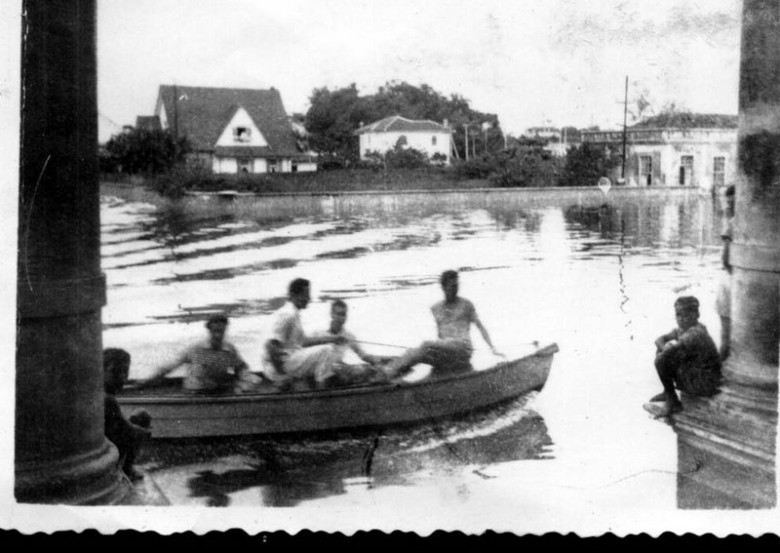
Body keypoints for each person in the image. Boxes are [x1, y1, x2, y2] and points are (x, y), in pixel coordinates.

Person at [384, 270, 502, 379]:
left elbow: (481, 327)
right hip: (447, 352)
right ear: (443, 287)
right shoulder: (436, 308)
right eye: (452, 286)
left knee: (426, 344)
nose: (456, 289)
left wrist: (492, 348)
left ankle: (387, 372)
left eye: (457, 285)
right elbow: (440, 335)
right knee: (413, 352)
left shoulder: (466, 305)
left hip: (463, 349)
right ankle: (388, 377)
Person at [139, 313, 260, 393]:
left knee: (253, 382)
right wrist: (147, 381)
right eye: (215, 331)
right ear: (209, 331)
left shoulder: (229, 350)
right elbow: (170, 366)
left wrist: (244, 383)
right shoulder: (196, 350)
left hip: (220, 392)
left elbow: (242, 368)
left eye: (221, 331)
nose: (218, 335)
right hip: (195, 394)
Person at [263, 278, 350, 389]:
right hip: (279, 367)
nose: (309, 299)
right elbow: (271, 346)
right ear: (294, 295)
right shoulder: (288, 314)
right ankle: (322, 393)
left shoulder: (294, 313)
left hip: (287, 362)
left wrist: (333, 339)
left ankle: (319, 386)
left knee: (325, 351)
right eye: (306, 295)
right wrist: (282, 376)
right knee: (327, 350)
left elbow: (304, 341)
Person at [647, 296, 722, 415]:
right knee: (661, 350)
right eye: (678, 315)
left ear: (696, 315)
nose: (682, 319)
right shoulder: (681, 330)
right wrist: (664, 347)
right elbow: (659, 339)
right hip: (697, 373)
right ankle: (668, 392)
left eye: (686, 315)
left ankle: (673, 401)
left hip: (706, 381)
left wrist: (665, 349)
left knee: (661, 359)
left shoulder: (696, 333)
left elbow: (668, 353)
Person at [309, 299, 390, 388]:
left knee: (371, 370)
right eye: (338, 314)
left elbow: (363, 355)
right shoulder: (318, 332)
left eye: (343, 314)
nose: (341, 318)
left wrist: (378, 361)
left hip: (339, 369)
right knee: (356, 371)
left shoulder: (348, 336)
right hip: (322, 370)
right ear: (331, 314)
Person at [103, 348, 152, 482]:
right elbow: (126, 428)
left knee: (141, 415)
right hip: (107, 446)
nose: (123, 377)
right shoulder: (108, 399)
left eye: (125, 371)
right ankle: (126, 468)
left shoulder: (105, 395)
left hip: (108, 440)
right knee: (137, 431)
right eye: (115, 372)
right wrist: (144, 432)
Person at [715, 185, 735, 361]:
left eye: (731, 203)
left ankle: (720, 376)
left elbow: (725, 260)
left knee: (725, 338)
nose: (727, 206)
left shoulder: (731, 224)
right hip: (734, 280)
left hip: (730, 281)